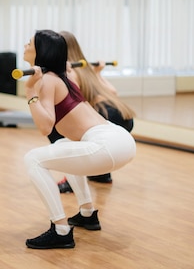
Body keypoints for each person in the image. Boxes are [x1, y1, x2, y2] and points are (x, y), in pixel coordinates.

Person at [22, 30, 136, 249]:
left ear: (41, 51)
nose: (25, 45)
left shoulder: (47, 80)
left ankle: (61, 230)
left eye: (30, 43)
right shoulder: (63, 76)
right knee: (64, 145)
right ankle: (87, 213)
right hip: (119, 140)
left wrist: (29, 91)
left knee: (33, 159)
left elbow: (45, 127)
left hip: (107, 144)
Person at [48, 31, 136, 193]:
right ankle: (101, 175)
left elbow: (72, 104)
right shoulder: (85, 68)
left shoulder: (69, 71)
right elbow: (112, 91)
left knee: (59, 127)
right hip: (123, 117)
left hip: (109, 117)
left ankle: (71, 180)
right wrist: (97, 73)